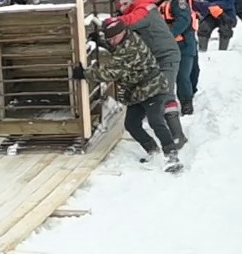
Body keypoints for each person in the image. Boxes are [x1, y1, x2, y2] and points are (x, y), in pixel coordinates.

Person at [72, 16, 182, 172]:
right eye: (109, 39)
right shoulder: (125, 39)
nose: (111, 41)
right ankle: (153, 150)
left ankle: (172, 155)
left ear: (122, 32)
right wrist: (102, 42)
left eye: (113, 38)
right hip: (137, 92)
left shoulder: (130, 48)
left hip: (153, 88)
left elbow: (112, 72)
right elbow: (117, 51)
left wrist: (85, 74)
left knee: (155, 120)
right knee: (131, 124)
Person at [113, 0, 186, 148]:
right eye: (120, 5)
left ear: (133, 1)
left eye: (125, 4)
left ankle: (178, 135)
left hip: (166, 57)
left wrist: (112, 23)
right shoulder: (142, 9)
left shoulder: (145, 9)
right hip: (154, 59)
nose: (122, 8)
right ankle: (162, 142)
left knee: (165, 93)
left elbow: (130, 22)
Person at [147, 0, 198, 115]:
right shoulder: (152, 5)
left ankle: (186, 102)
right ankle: (164, 104)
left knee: (183, 76)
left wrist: (168, 35)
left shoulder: (178, 1)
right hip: (165, 47)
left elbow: (184, 20)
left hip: (184, 45)